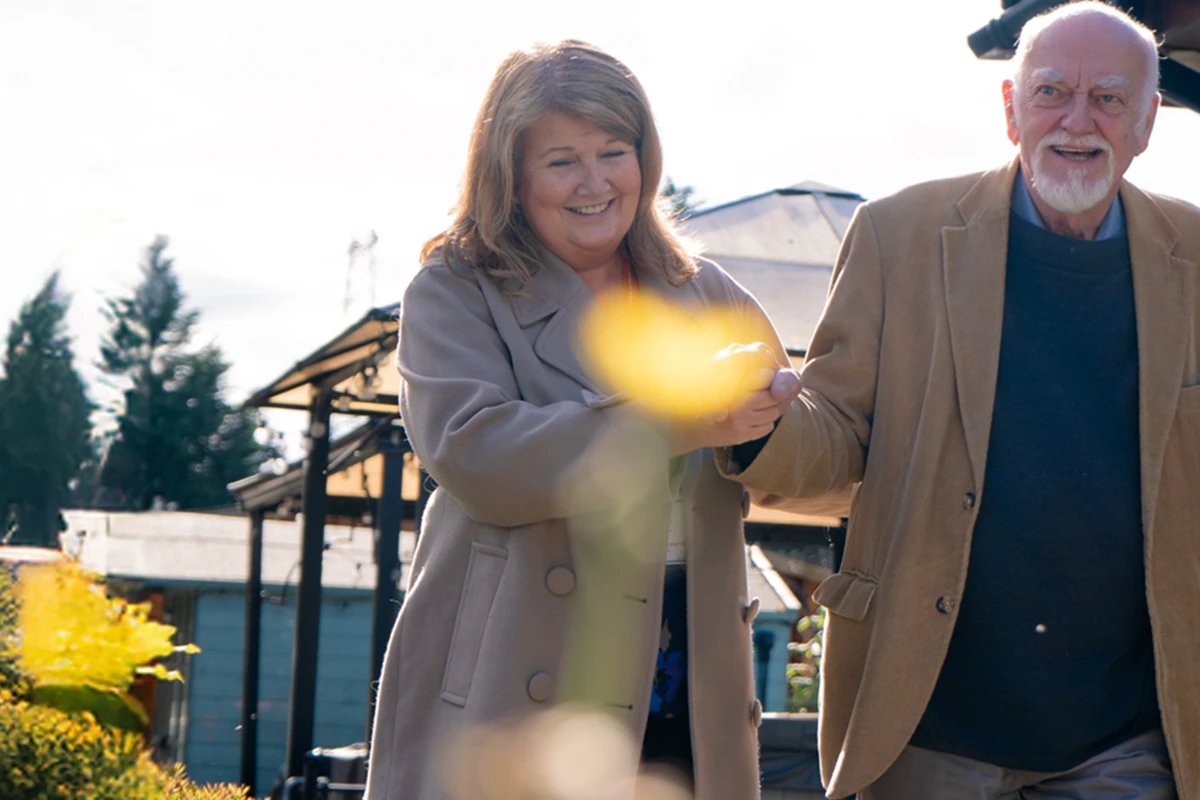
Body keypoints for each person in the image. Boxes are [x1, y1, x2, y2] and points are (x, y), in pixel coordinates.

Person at [722, 2, 1200, 798]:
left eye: (1109, 99)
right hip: (926, 717)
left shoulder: (1197, 259)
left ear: (1147, 122)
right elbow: (839, 430)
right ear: (1012, 110)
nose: (1077, 120)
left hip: (1128, 735)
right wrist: (761, 424)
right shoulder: (896, 233)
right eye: (1052, 92)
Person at [364, 40, 791, 800]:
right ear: (511, 176)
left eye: (613, 151)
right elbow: (479, 457)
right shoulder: (453, 290)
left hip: (689, 687)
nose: (594, 183)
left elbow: (798, 457)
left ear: (645, 159)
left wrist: (784, 414)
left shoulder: (705, 291)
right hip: (516, 696)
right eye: (562, 160)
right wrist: (683, 416)